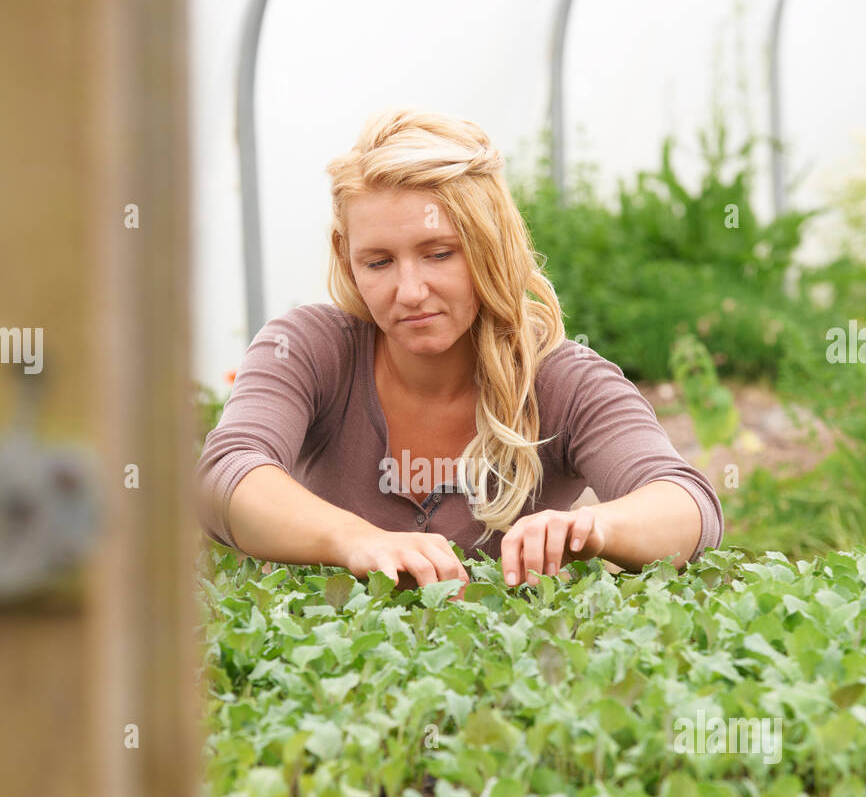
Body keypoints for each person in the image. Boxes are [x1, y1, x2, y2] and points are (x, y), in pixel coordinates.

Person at [194, 107, 723, 598]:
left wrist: (592, 528)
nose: (410, 292)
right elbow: (226, 475)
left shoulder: (566, 381)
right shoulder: (310, 349)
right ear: (346, 257)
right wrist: (354, 540)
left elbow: (687, 503)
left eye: (438, 254)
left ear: (489, 245)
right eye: (378, 262)